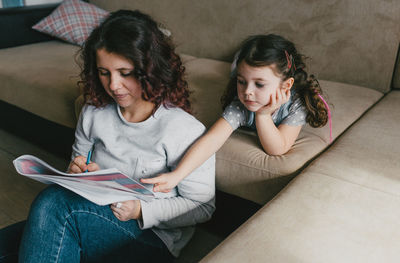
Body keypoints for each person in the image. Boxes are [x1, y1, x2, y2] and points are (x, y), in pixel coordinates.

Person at [12, 9, 215, 262]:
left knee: (53, 205)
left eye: (125, 73)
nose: (114, 85)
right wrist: (78, 171)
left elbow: (203, 207)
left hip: (151, 236)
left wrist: (141, 210)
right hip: (90, 212)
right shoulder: (93, 112)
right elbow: (77, 162)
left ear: (148, 68)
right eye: (104, 72)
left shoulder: (183, 129)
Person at [141, 34, 330, 193]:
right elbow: (212, 139)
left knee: (240, 70)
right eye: (242, 82)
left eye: (259, 84)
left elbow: (278, 148)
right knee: (236, 70)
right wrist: (177, 175)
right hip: (241, 71)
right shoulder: (241, 104)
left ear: (286, 85)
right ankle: (237, 68)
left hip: (285, 94)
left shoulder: (297, 104)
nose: (248, 91)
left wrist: (263, 115)